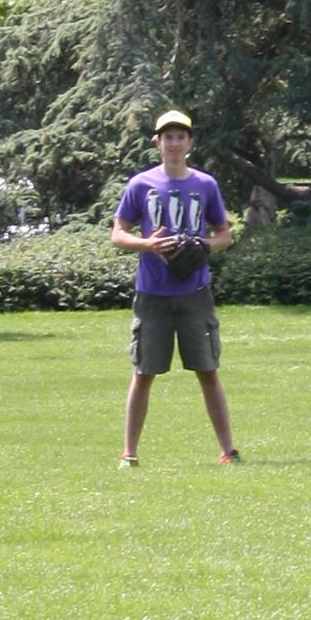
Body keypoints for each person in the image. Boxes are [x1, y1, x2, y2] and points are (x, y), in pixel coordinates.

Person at [110, 110, 240, 468]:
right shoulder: (141, 185)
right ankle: (130, 453)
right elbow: (117, 234)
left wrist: (204, 247)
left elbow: (224, 235)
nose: (174, 143)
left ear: (190, 143)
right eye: (167, 136)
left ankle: (228, 451)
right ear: (157, 143)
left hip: (195, 292)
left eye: (180, 136)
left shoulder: (205, 185)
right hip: (152, 293)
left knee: (208, 370)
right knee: (143, 373)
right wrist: (147, 245)